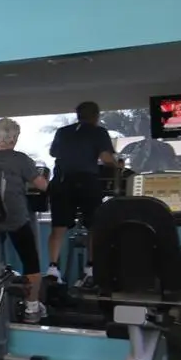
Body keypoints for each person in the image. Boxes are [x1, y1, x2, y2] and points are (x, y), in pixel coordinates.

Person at [0, 118, 51, 323]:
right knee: (30, 262)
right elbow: (42, 186)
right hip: (15, 218)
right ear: (13, 138)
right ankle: (32, 308)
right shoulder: (21, 159)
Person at [47, 101, 117, 281]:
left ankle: (53, 268)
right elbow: (106, 158)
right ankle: (91, 267)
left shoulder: (62, 132)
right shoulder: (99, 132)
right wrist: (117, 164)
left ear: (78, 115)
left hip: (62, 181)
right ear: (96, 116)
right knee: (94, 225)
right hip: (86, 181)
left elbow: (53, 153)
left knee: (58, 227)